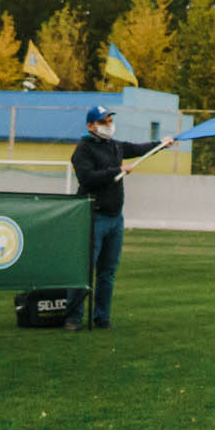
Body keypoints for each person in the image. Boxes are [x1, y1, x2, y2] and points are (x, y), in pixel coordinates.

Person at [66, 104, 175, 332]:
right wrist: (116, 171)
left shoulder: (115, 146)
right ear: (91, 126)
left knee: (107, 272)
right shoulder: (83, 149)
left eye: (109, 120)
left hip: (115, 218)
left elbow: (137, 148)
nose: (108, 125)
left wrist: (160, 144)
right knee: (84, 270)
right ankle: (73, 317)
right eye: (103, 121)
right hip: (93, 216)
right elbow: (87, 178)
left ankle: (102, 317)